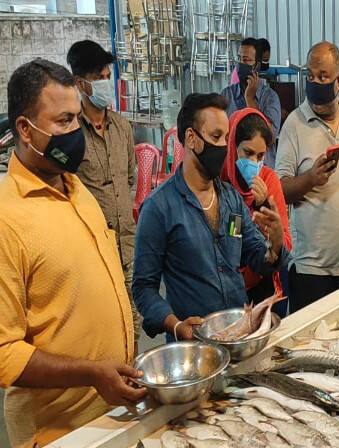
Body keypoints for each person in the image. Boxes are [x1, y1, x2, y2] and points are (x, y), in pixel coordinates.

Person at [0, 59, 145, 448]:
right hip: (58, 437)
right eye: (63, 121)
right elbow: (4, 353)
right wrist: (91, 373)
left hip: (111, 412)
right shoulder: (6, 219)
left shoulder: (75, 187)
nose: (75, 133)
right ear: (26, 130)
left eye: (77, 118)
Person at [132, 93, 289, 341]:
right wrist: (175, 325)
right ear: (192, 139)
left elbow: (257, 256)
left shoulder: (231, 200)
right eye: (216, 137)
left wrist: (275, 244)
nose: (223, 146)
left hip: (239, 336)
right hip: (194, 347)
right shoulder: (159, 208)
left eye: (226, 138)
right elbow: (143, 289)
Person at [276, 41, 339, 312]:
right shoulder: (294, 126)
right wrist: (310, 178)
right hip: (312, 271)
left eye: (323, 77)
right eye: (310, 76)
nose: (315, 83)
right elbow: (280, 190)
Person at [66, 40, 140, 349]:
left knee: (133, 324)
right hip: (93, 250)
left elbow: (132, 178)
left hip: (128, 244)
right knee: (101, 329)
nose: (106, 84)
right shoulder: (70, 134)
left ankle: (133, 387)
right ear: (80, 83)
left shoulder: (121, 127)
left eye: (108, 76)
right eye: (99, 78)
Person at [222, 108, 292, 314]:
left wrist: (262, 207)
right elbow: (230, 242)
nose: (253, 163)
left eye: (260, 155)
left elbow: (285, 243)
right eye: (247, 153)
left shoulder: (269, 180)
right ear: (232, 147)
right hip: (231, 291)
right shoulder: (222, 185)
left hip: (266, 287)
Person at [222, 37, 281, 167]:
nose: (240, 64)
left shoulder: (270, 98)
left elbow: (269, 137)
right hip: (232, 171)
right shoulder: (227, 95)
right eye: (239, 59)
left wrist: (250, 99)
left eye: (246, 60)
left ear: (256, 66)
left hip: (262, 170)